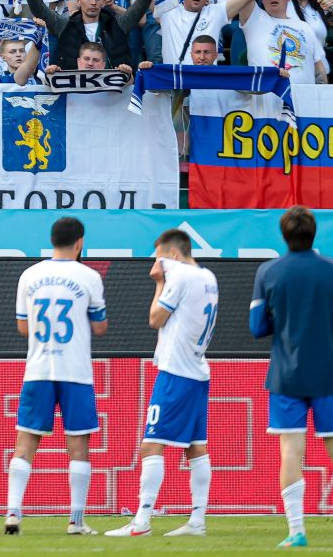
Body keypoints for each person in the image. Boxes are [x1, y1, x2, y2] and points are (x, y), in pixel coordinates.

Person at [250, 206, 333, 548]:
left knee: (291, 452)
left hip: (285, 376)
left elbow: (257, 327)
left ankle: (296, 532)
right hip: (328, 374)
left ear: (284, 234)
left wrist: (287, 322)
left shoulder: (268, 271)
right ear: (314, 232)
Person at [106, 229, 217, 538]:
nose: (155, 264)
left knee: (151, 445)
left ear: (171, 254)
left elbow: (156, 318)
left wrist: (159, 283)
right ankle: (197, 520)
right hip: (196, 370)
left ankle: (142, 520)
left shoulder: (178, 275)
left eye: (158, 257)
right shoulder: (208, 276)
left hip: (176, 372)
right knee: (195, 447)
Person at [5, 216, 107, 536]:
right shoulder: (89, 276)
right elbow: (100, 326)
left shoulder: (29, 274)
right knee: (78, 445)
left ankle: (12, 513)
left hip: (38, 369)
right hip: (75, 370)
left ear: (52, 241)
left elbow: (23, 326)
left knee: (26, 442)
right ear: (80, 243)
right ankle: (76, 520)